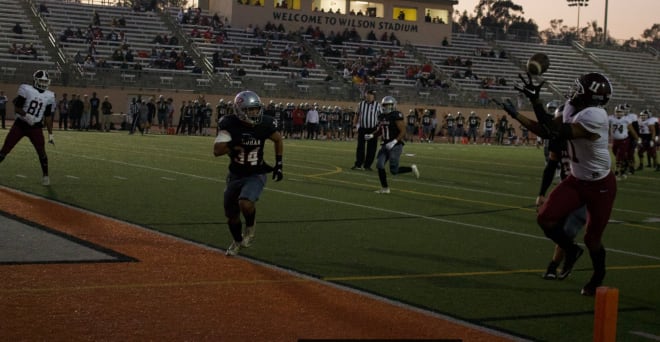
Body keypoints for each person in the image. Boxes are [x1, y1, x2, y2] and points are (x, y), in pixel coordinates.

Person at [496, 72, 616, 296]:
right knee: (545, 218)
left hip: (600, 186)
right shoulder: (572, 106)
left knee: (592, 238)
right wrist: (517, 116)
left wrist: (535, 101)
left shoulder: (596, 116)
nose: (574, 91)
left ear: (591, 95)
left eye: (579, 88)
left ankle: (597, 277)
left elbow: (555, 131)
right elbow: (547, 129)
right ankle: (571, 251)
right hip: (576, 180)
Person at [213, 90, 283, 256]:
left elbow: (278, 139)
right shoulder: (229, 123)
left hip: (256, 172)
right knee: (231, 216)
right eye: (249, 110)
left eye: (255, 109)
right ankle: (237, 241)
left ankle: (250, 227)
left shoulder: (265, 124)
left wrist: (279, 164)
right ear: (239, 110)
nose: (254, 113)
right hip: (235, 174)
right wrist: (234, 143)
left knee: (245, 202)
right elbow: (217, 151)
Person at [536, 103, 587, 280]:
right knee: (551, 224)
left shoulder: (585, 137)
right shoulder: (558, 139)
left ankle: (556, 266)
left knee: (571, 232)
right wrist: (541, 193)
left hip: (587, 189)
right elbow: (551, 166)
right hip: (567, 188)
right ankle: (557, 264)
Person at [0, 70, 55, 186]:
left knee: (42, 152)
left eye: (45, 81)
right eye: (41, 81)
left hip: (36, 128)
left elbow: (48, 116)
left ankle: (46, 176)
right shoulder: (26, 89)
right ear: (35, 80)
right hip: (20, 125)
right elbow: (17, 108)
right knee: (5, 149)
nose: (43, 83)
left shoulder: (50, 95)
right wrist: (26, 115)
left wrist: (51, 134)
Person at [365, 96, 419, 194]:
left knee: (394, 170)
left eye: (389, 105)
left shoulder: (396, 115)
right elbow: (381, 130)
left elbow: (403, 131)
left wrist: (394, 142)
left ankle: (411, 168)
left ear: (393, 105)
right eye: (385, 105)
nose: (387, 107)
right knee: (379, 165)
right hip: (385, 144)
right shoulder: (381, 116)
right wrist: (372, 135)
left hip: (396, 145)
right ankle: (385, 188)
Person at [352, 89, 381, 170]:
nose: (369, 96)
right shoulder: (360, 104)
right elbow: (356, 116)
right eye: (368, 94)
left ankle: (367, 165)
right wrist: (354, 126)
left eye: (371, 95)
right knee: (360, 147)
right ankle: (358, 164)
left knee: (372, 148)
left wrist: (379, 127)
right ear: (365, 95)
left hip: (373, 129)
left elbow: (381, 117)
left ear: (373, 96)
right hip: (362, 128)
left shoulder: (377, 105)